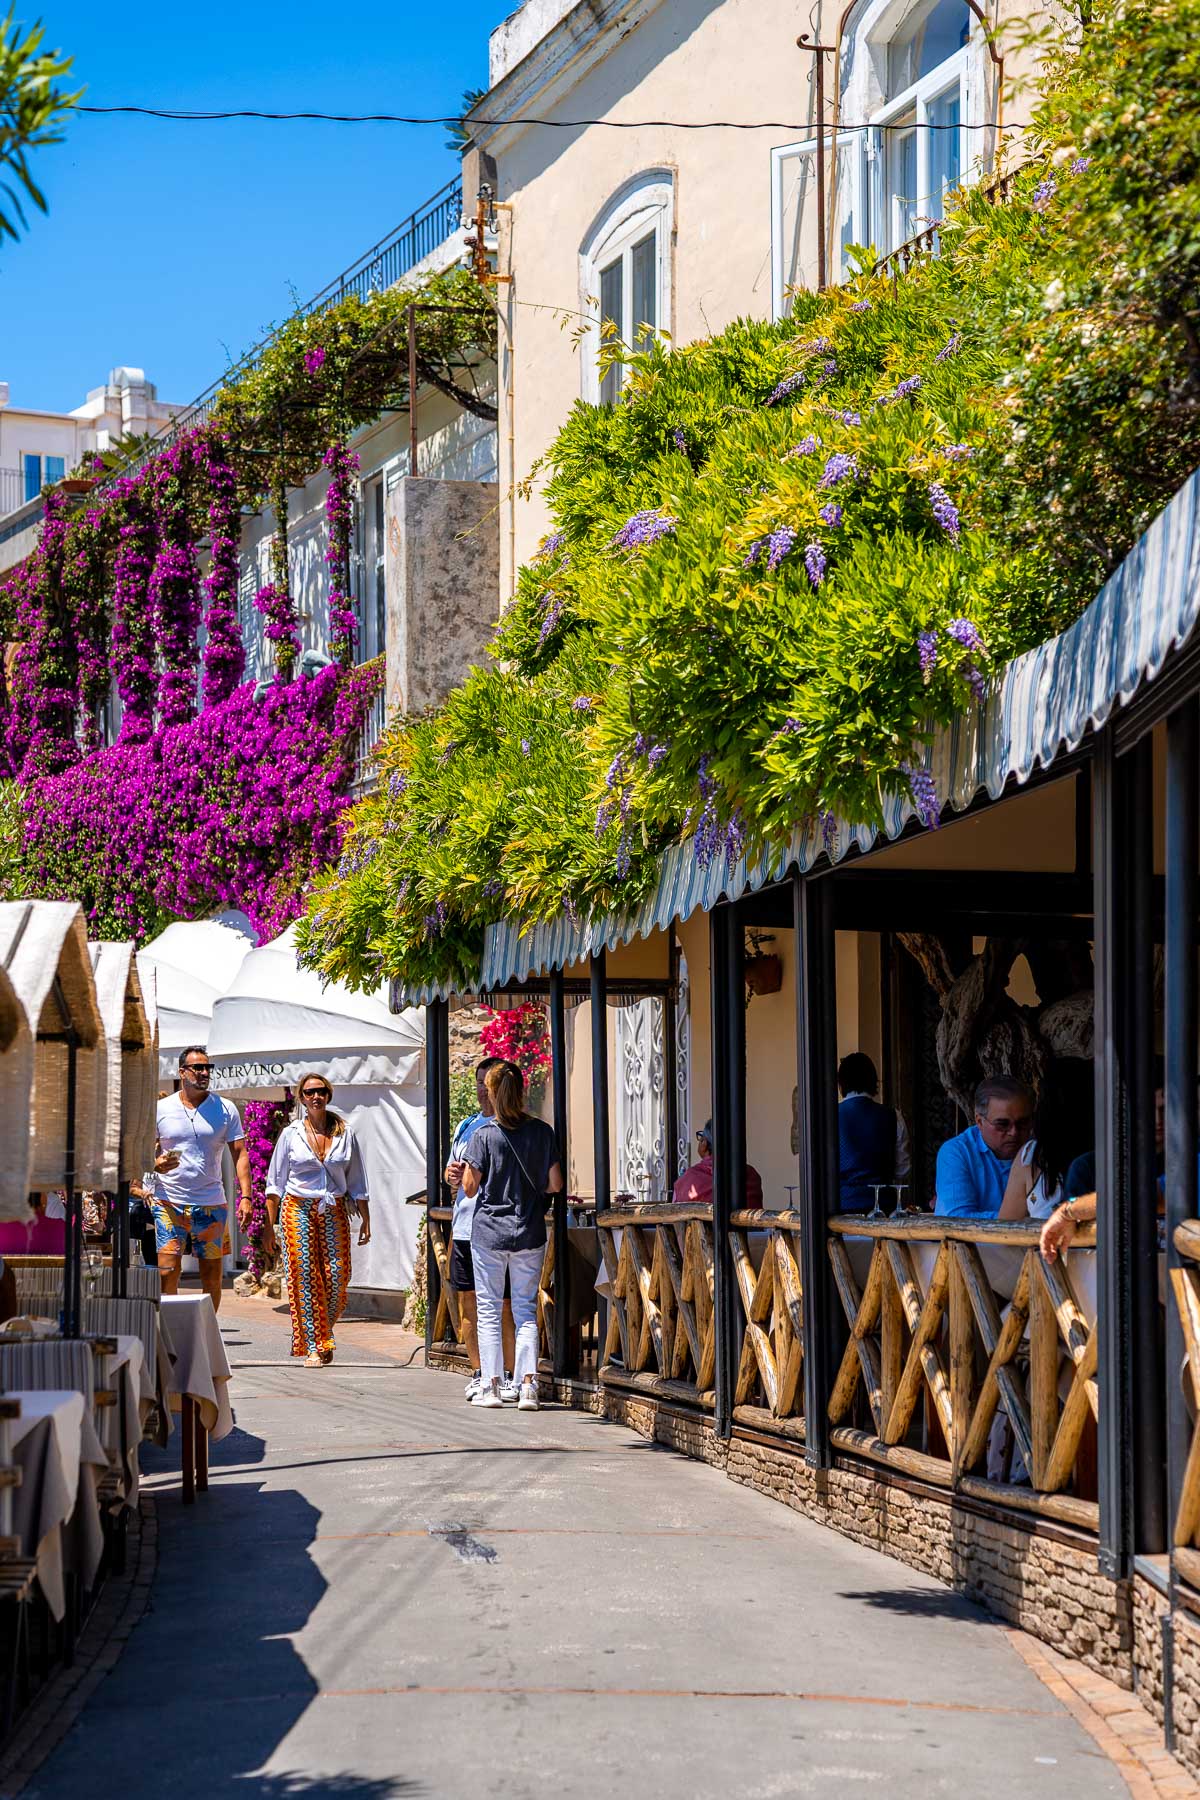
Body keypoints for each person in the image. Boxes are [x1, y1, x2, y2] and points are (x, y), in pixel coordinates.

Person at [460, 1061, 563, 1412]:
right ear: (522, 1091)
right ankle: (528, 1386)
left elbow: (470, 1189)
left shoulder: (484, 1135)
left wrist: (463, 1173)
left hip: (490, 1232)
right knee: (524, 1310)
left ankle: (490, 1386)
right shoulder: (542, 1131)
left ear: (490, 1092)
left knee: (488, 1310)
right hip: (529, 1231)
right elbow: (555, 1184)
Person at [265, 1073, 371, 1367]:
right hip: (296, 1206)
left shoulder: (344, 1133)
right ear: (301, 1098)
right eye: (310, 1092)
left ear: (328, 1095)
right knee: (304, 1276)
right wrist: (269, 1227)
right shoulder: (291, 1134)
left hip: (334, 1207)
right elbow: (275, 1184)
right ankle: (314, 1344)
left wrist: (366, 1218)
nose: (316, 1096)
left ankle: (321, 1329)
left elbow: (358, 1180)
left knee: (338, 1276)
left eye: (321, 1091)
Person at [152, 1046, 251, 1314]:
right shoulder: (161, 1108)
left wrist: (246, 1197)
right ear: (182, 1072)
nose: (204, 1073)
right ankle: (172, 1333)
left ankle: (207, 1333)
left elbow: (240, 1153)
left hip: (211, 1203)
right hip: (169, 1201)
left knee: (211, 1278)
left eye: (208, 1068)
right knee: (166, 1273)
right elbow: (143, 1151)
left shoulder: (225, 1108)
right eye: (198, 1068)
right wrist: (155, 1163)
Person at [444, 1058, 518, 1403]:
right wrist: (452, 1177)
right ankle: (479, 1372)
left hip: (497, 1229)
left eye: (486, 1084)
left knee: (503, 1306)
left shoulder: (514, 1128)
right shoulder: (466, 1126)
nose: (480, 1091)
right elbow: (452, 1176)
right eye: (476, 1083)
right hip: (463, 1228)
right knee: (468, 1304)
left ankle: (506, 1375)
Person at [934, 1075, 1034, 1219]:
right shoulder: (957, 1153)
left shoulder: (1038, 1150)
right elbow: (956, 1219)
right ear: (979, 1121)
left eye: (1022, 1123)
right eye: (1002, 1124)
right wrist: (1015, 1219)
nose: (1014, 1132)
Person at [836, 1052, 910, 1212]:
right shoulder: (893, 1116)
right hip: (884, 1209)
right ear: (873, 1081)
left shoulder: (829, 1117)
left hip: (841, 1210)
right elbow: (902, 1168)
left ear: (840, 1084)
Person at [672, 1121, 764, 1207]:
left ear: (704, 1144)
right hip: (745, 1224)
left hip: (706, 1224)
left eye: (701, 1138)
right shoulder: (751, 1175)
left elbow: (675, 1211)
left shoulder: (690, 1178)